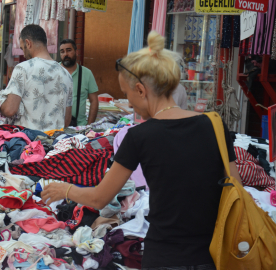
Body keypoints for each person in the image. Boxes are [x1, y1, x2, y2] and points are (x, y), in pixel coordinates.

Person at [42, 31, 243, 269]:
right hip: (213, 256)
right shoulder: (215, 124)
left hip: (164, 257)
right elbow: (236, 188)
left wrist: (65, 189)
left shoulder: (139, 136)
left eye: (127, 94)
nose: (129, 103)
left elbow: (99, 197)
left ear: (141, 89)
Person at [0, 25, 73, 131]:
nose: (23, 53)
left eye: (23, 48)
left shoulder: (23, 68)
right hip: (53, 143)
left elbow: (10, 110)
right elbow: (66, 120)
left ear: (28, 43)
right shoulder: (66, 74)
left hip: (28, 142)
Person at [59, 39, 99, 126]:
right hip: (56, 127)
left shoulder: (87, 73)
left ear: (76, 52)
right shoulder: (53, 71)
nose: (65, 54)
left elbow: (94, 100)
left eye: (69, 50)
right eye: (62, 52)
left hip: (80, 127)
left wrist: (89, 125)